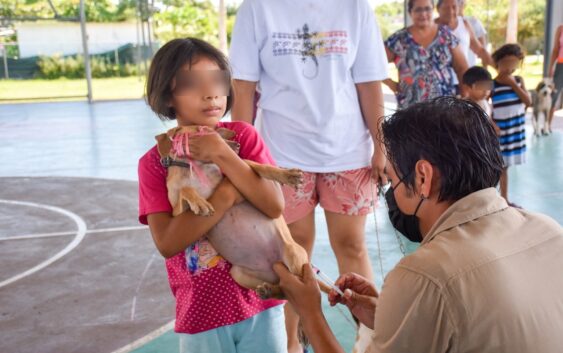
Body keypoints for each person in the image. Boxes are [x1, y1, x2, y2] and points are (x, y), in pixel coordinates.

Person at [273, 97, 563, 353]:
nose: (392, 191)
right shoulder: (548, 230)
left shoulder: (424, 276)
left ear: (423, 177)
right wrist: (392, 315)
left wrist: (310, 313)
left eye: (393, 178)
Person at [229, 1, 389, 351]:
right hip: (283, 155)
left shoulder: (355, 7)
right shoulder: (257, 8)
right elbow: (243, 89)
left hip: (347, 151)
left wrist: (382, 147)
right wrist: (243, 161)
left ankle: (373, 339)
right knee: (291, 252)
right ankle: (290, 344)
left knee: (351, 245)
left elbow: (368, 83)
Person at [137, 38, 287, 353]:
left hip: (261, 300)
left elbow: (274, 205)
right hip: (201, 313)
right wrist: (228, 194)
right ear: (167, 95)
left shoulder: (242, 138)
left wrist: (222, 154)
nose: (211, 93)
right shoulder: (156, 162)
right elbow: (168, 243)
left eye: (218, 80)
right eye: (192, 85)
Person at [384, 0, 468, 109]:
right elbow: (374, 63)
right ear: (410, 12)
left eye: (427, 9)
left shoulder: (446, 36)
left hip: (444, 110)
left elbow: (462, 68)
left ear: (433, 10)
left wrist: (465, 96)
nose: (423, 14)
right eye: (418, 9)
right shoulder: (399, 39)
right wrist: (392, 85)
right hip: (410, 111)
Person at [490, 44, 531, 205]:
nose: (509, 67)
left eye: (514, 63)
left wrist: (513, 84)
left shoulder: (519, 81)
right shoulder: (492, 85)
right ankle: (496, 199)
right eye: (506, 62)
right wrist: (491, 123)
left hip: (514, 131)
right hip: (500, 131)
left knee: (505, 167)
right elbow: (484, 107)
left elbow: (528, 102)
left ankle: (504, 199)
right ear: (498, 63)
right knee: (498, 165)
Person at [435, 0, 493, 77]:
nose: (451, 11)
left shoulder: (464, 24)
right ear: (438, 9)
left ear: (458, 8)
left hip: (464, 80)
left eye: (454, 7)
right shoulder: (431, 27)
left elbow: (479, 50)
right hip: (441, 82)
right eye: (446, 8)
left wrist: (497, 67)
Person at [458, 0, 488, 67]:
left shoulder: (473, 22)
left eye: (460, 2)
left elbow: (483, 50)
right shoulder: (438, 24)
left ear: (464, 4)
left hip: (470, 72)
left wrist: (486, 71)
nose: (457, 4)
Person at [547, 24, 563, 132]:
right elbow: (555, 49)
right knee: (554, 95)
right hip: (560, 66)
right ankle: (547, 125)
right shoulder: (560, 28)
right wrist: (550, 67)